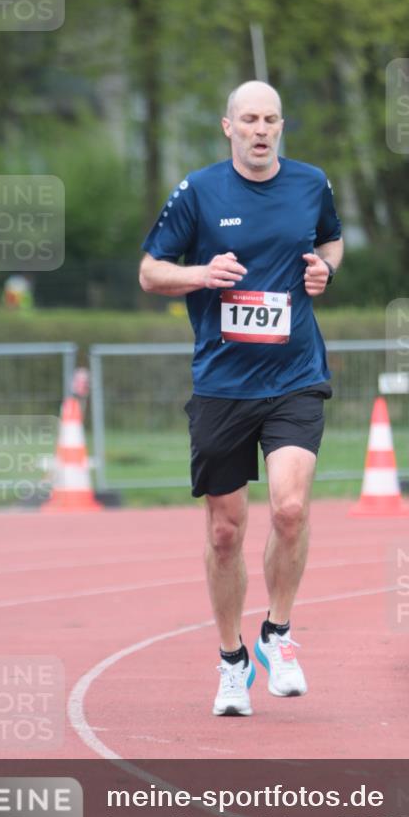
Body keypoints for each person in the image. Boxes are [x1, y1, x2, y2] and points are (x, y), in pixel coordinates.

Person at [139, 80, 343, 716]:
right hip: (224, 384)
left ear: (282, 125)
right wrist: (200, 274)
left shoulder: (312, 183)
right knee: (225, 531)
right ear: (227, 127)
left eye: (272, 119)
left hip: (294, 375)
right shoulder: (199, 191)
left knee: (290, 509)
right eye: (249, 119)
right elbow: (150, 271)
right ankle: (231, 662)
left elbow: (330, 241)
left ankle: (277, 636)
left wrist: (325, 270)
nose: (261, 129)